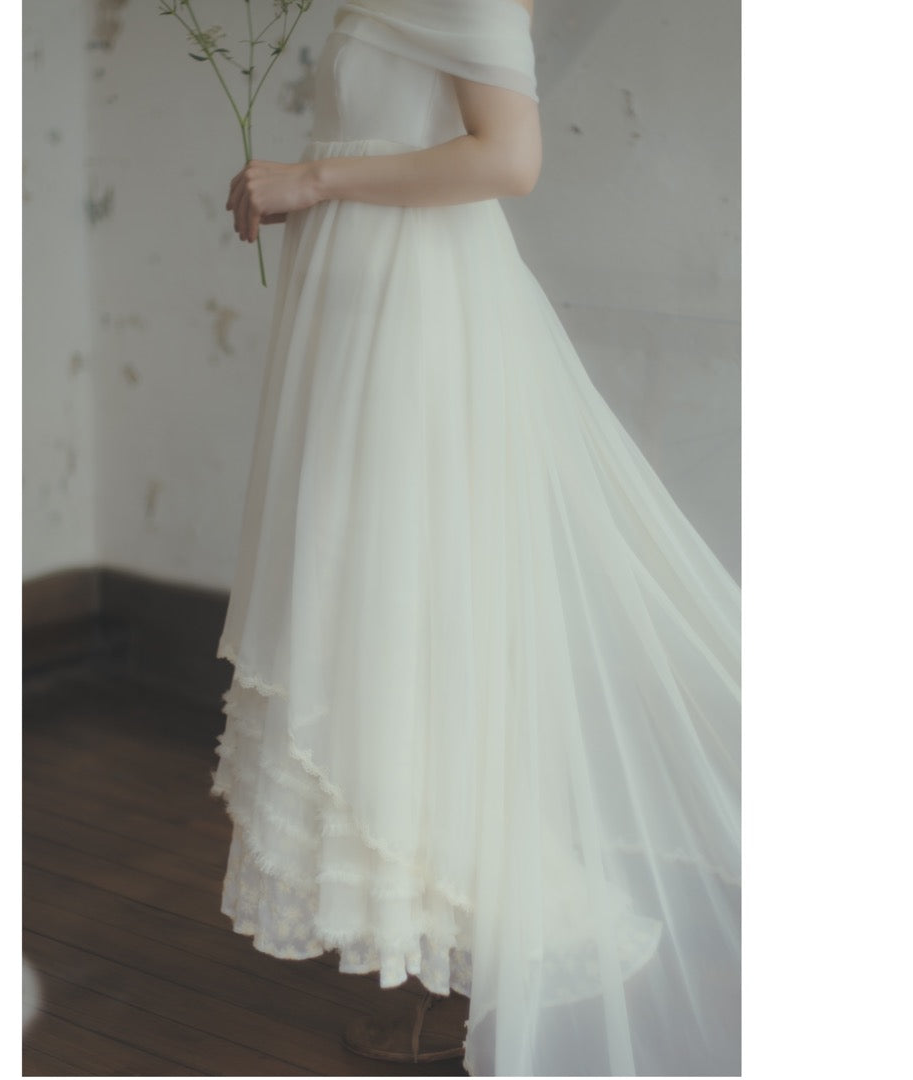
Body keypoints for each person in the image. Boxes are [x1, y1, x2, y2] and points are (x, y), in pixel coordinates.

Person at [212, 0, 741, 1075]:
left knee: (416, 620)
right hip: (356, 311)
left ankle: (471, 951)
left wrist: (312, 179)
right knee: (368, 619)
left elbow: (510, 157)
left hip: (415, 320)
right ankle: (424, 945)